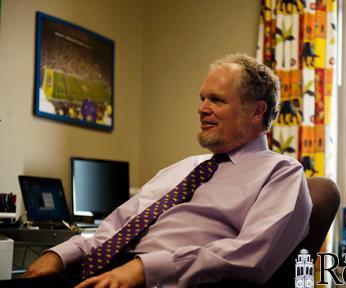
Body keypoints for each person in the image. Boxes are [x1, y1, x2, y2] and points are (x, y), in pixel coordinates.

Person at [6, 53, 312, 288]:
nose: (201, 108)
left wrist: (145, 269)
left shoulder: (281, 174)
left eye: (216, 100)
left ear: (257, 110)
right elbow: (115, 228)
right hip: (102, 271)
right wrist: (60, 254)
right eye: (202, 98)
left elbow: (251, 256)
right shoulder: (182, 168)